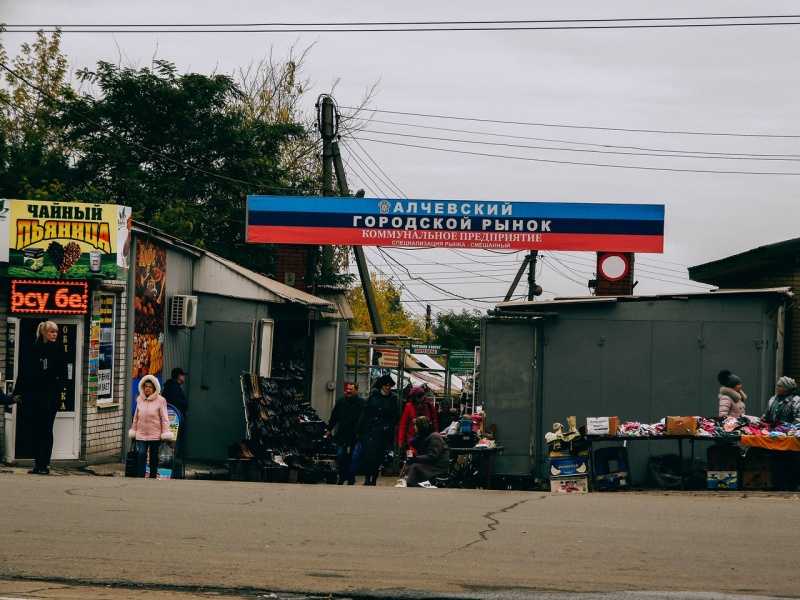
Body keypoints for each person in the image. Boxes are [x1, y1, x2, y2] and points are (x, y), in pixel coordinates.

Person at [13, 321, 68, 475]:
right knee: (36, 430)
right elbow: (24, 372)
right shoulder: (34, 349)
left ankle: (45, 464)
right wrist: (18, 391)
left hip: (51, 396)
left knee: (46, 429)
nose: (54, 334)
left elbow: (64, 373)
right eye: (51, 332)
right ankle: (38, 463)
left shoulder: (58, 349)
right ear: (44, 333)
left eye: (56, 332)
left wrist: (60, 386)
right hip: (34, 395)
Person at [356, 374, 400, 486]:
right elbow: (364, 412)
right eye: (386, 385)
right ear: (381, 385)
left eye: (390, 385)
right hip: (369, 429)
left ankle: (374, 478)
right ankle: (367, 478)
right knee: (367, 454)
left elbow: (395, 417)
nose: (388, 387)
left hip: (382, 432)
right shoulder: (373, 396)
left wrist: (387, 427)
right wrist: (359, 429)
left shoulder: (393, 399)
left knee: (377, 456)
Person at [129, 374, 175, 479]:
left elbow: (164, 418)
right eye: (146, 387)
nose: (147, 389)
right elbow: (136, 416)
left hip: (155, 434)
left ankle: (152, 476)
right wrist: (133, 430)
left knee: (154, 456)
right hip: (141, 433)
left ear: (154, 388)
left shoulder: (161, 400)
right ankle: (140, 476)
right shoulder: (140, 399)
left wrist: (165, 433)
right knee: (142, 454)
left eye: (150, 387)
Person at [761, 376, 800, 491]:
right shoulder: (773, 399)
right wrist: (763, 426)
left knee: (791, 461)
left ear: (787, 388)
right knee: (776, 461)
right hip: (773, 437)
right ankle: (777, 484)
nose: (777, 387)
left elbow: (798, 420)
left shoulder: (796, 400)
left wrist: (789, 432)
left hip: (789, 438)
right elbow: (765, 416)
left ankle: (793, 484)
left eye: (780, 386)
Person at [325, 381, 365, 485]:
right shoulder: (341, 402)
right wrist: (329, 429)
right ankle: (342, 476)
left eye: (351, 389)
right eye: (347, 389)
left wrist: (361, 431)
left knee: (353, 457)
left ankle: (351, 477)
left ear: (356, 391)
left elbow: (364, 419)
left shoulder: (362, 404)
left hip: (355, 434)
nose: (348, 391)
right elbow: (334, 416)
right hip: (342, 433)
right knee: (340, 455)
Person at [398, 416, 451, 488]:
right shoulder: (425, 436)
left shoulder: (435, 437)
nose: (414, 427)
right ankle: (407, 481)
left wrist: (416, 458)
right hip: (432, 462)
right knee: (412, 465)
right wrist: (416, 443)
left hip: (438, 465)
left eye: (416, 425)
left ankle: (408, 482)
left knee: (415, 466)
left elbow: (433, 456)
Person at [162, 367, 188, 476]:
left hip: (167, 418)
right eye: (183, 375)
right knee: (176, 443)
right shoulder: (176, 388)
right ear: (179, 376)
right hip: (175, 420)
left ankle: (169, 463)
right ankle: (174, 467)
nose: (184, 378)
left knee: (168, 442)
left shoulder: (167, 386)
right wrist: (186, 402)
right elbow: (178, 402)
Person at [398, 386, 439, 455]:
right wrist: (400, 441)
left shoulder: (429, 405)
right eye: (419, 397)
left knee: (425, 456)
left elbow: (434, 421)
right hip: (412, 439)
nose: (422, 398)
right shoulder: (409, 406)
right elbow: (403, 424)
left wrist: (436, 435)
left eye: (422, 396)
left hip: (427, 437)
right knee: (412, 457)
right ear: (414, 398)